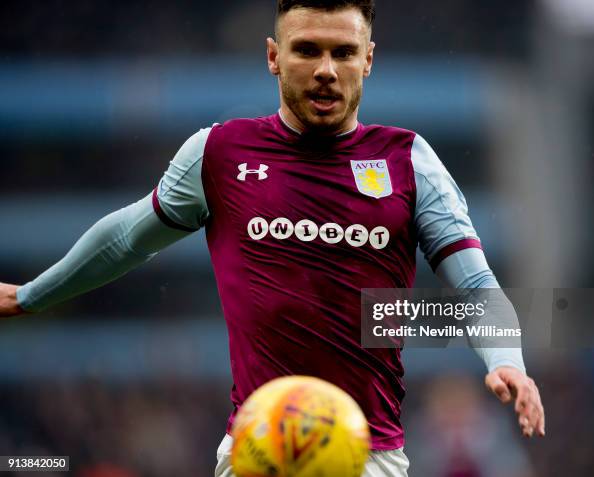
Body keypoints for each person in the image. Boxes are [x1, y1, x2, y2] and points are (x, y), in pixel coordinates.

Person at [0, 1, 545, 475]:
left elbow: (475, 285)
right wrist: (32, 295)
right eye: (307, 49)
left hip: (369, 457)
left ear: (368, 59)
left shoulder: (408, 161)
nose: (326, 70)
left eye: (343, 52)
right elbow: (127, 238)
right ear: (273, 56)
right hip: (255, 453)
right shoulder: (219, 153)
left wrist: (508, 362)